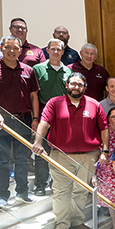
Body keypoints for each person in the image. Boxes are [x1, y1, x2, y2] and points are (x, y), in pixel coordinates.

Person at [32, 72, 108, 229]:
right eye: (73, 84)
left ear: (85, 88)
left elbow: (104, 128)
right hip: (61, 156)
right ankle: (61, 225)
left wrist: (105, 151)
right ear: (66, 85)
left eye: (80, 84)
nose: (76, 87)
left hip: (88, 157)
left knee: (81, 191)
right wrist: (38, 142)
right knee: (61, 192)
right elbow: (44, 123)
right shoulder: (55, 103)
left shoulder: (94, 104)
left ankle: (77, 221)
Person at [0, 34, 40, 207]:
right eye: (8, 47)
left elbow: (34, 96)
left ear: (20, 51)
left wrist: (35, 119)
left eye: (15, 48)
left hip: (24, 120)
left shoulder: (28, 71)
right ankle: (2, 195)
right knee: (3, 159)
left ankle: (23, 192)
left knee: (22, 159)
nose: (11, 51)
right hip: (2, 122)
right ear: (1, 48)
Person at [31, 39, 73, 196]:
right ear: (47, 50)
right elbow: (33, 94)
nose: (56, 52)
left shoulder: (68, 72)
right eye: (53, 49)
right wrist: (35, 117)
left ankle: (56, 183)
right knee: (42, 149)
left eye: (59, 49)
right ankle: (40, 185)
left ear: (63, 52)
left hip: (63, 116)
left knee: (61, 151)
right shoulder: (38, 69)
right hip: (43, 114)